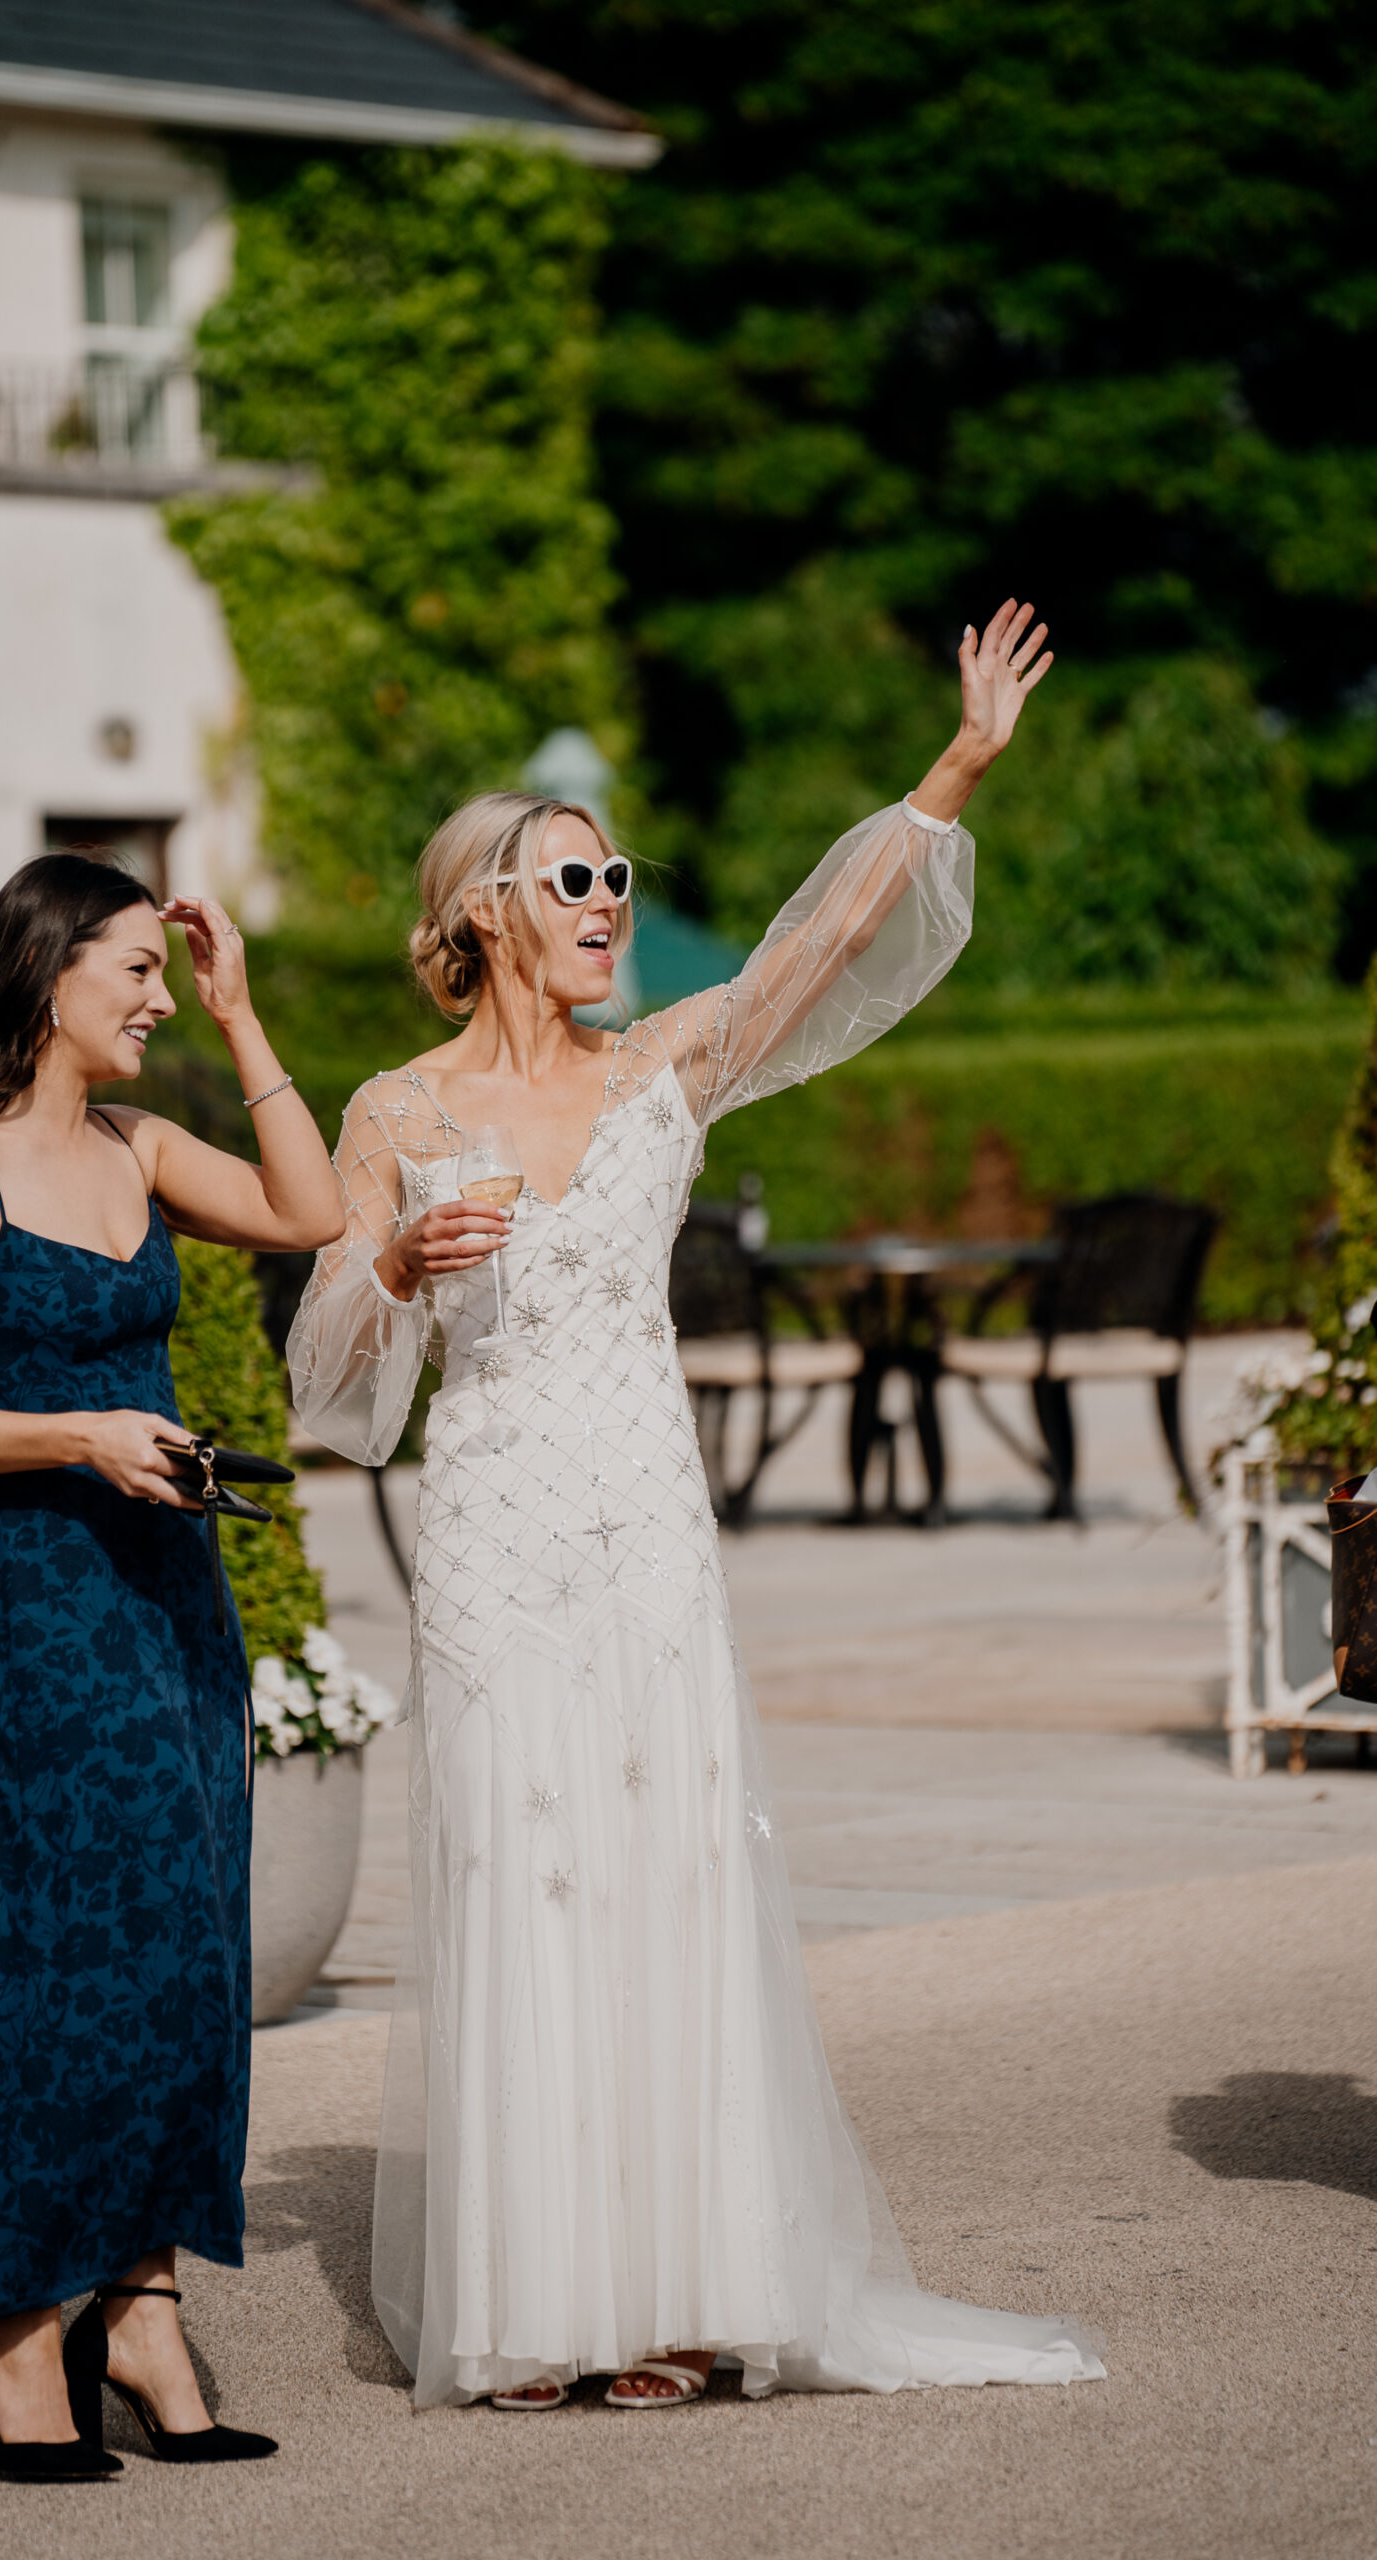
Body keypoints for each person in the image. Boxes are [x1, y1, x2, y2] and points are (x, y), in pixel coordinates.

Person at [290, 600, 1106, 2410]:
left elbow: (824, 945)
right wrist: (406, 1262)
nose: (608, 905)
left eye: (619, 880)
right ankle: (538, 2305)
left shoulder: (669, 1065)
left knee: (663, 1874)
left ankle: (674, 2293)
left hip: (649, 1525)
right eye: (576, 881)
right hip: (494, 1531)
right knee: (526, 1874)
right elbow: (330, 1377)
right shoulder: (396, 1109)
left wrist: (957, 766)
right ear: (487, 913)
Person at [0, 855, 342, 2477]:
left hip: (173, 1589)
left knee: (191, 1935)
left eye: (161, 971)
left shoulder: (140, 1144)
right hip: (41, 1603)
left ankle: (137, 2302)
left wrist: (242, 1009)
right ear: (45, 972)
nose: (152, 997)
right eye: (133, 969)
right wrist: (76, 1433)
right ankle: (4, 2325)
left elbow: (310, 1211)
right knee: (56, 1944)